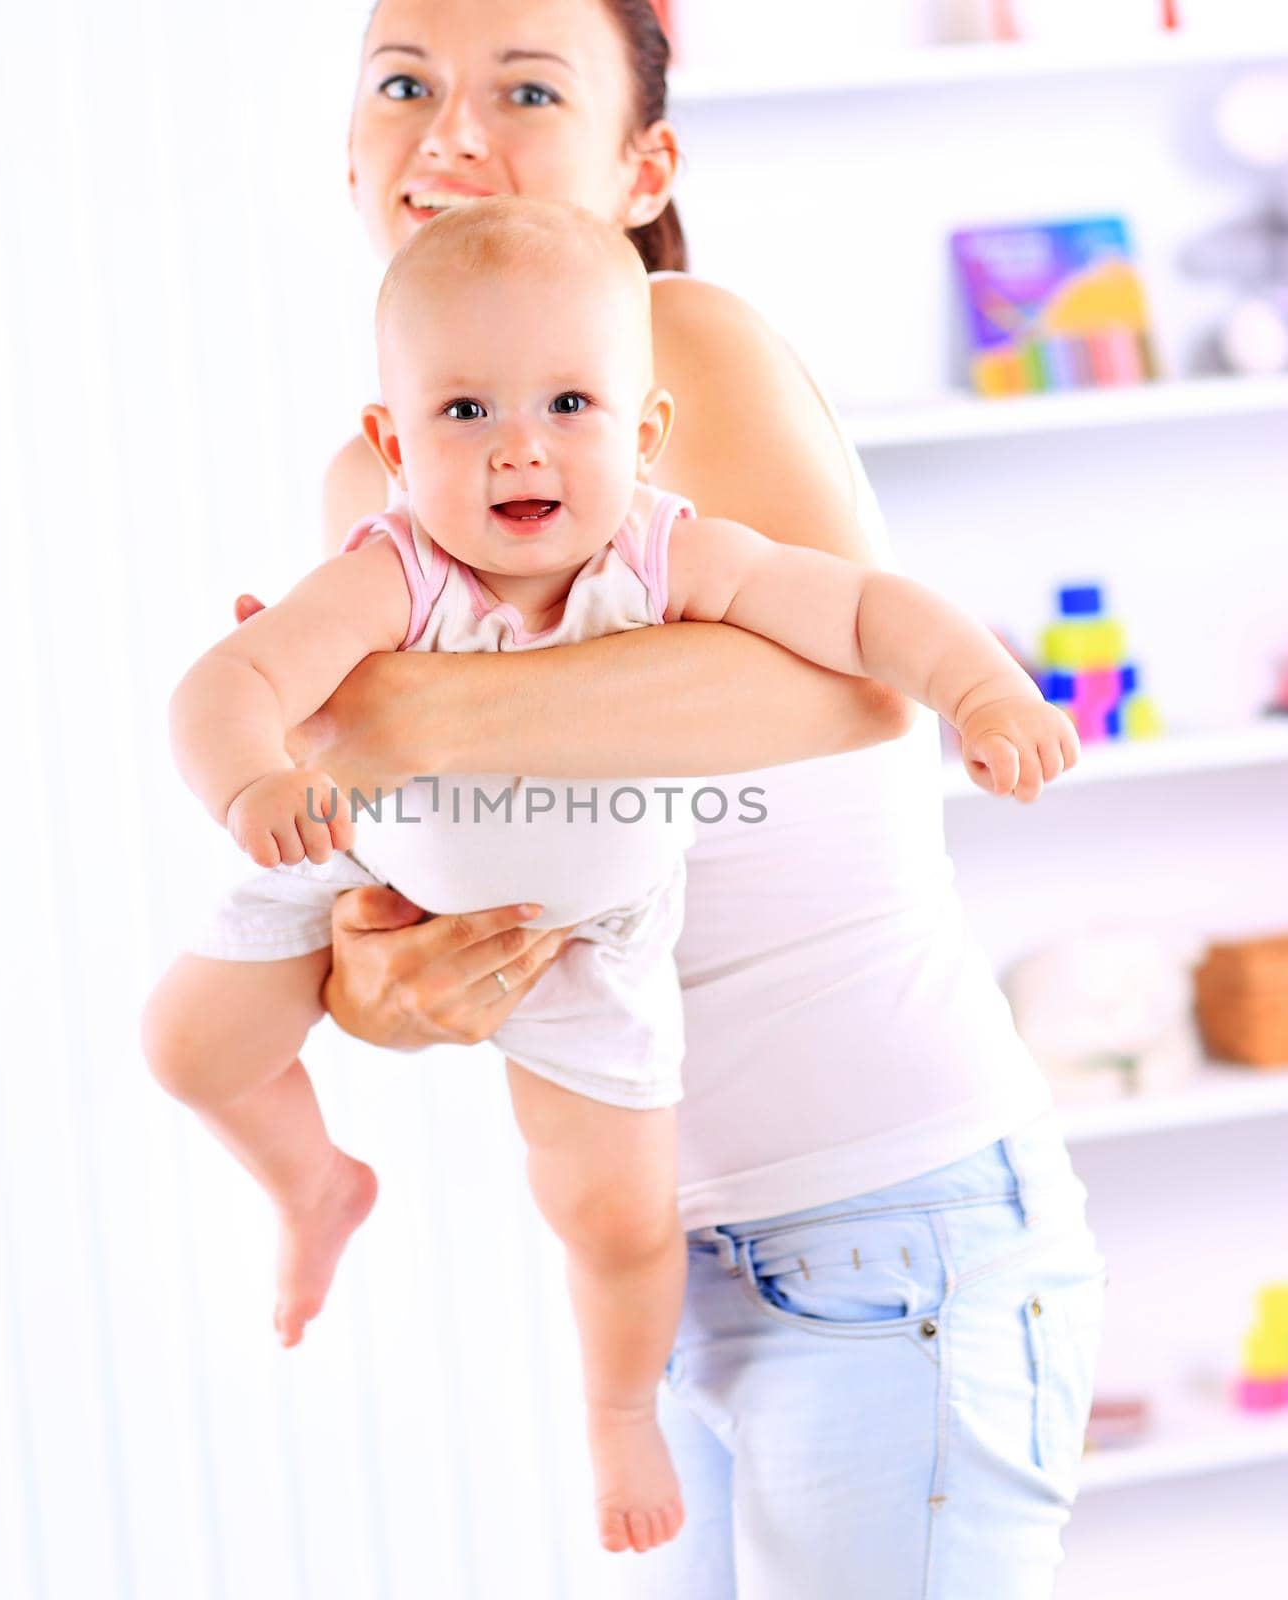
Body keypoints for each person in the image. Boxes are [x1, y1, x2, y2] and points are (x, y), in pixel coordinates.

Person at [220, 1, 1107, 1592]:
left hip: (888, 1233)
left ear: (645, 166)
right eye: (403, 87)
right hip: (665, 1262)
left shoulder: (670, 347)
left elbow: (844, 690)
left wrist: (415, 707)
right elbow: (433, 853)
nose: (452, 133)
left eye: (527, 90)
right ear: (344, 146)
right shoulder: (389, 501)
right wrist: (378, 983)